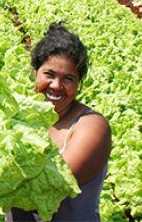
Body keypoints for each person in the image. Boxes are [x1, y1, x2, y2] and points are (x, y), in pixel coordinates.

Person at [8, 23, 111, 222]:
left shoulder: (92, 126)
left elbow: (52, 184)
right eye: (49, 74)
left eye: (68, 78)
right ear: (36, 73)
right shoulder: (21, 114)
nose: (56, 85)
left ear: (79, 83)